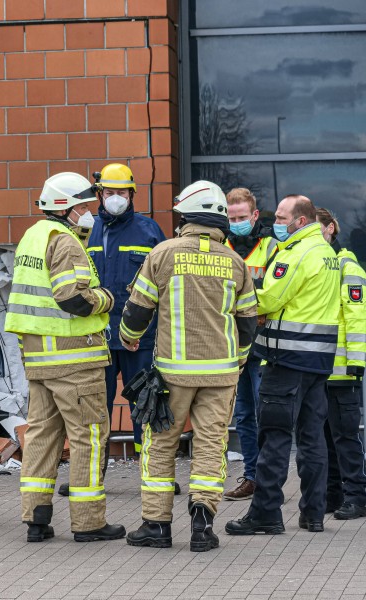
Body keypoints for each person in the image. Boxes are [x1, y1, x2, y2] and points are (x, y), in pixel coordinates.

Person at [120, 180, 258, 552]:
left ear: (185, 216)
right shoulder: (235, 262)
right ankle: (202, 523)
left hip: (173, 374)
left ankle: (156, 525)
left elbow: (138, 310)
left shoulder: (163, 254)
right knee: (211, 444)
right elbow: (247, 322)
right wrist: (240, 360)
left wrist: (128, 336)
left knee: (160, 444)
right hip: (222, 373)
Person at [6, 172, 125, 543]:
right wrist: (106, 298)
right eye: (84, 206)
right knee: (89, 437)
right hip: (74, 361)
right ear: (66, 207)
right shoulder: (66, 242)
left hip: (39, 360)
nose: (90, 212)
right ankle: (88, 522)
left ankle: (36, 518)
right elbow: (71, 298)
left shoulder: (33, 235)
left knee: (42, 437)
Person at [225, 194, 340, 535]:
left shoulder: (296, 252)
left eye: (281, 216)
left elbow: (270, 297)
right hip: (317, 361)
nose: (276, 222)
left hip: (286, 359)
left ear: (300, 221)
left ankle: (265, 513)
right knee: (312, 439)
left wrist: (236, 302)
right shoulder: (326, 252)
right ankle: (313, 513)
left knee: (273, 436)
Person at [57, 163, 167, 497]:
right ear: (99, 194)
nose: (115, 198)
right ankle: (92, 476)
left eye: (121, 192)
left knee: (146, 407)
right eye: (108, 192)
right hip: (97, 338)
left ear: (132, 194)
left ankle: (154, 476)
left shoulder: (150, 231)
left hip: (140, 339)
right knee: (92, 412)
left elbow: (163, 284)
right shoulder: (84, 231)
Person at [315, 208, 366, 519]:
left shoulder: (346, 265)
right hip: (317, 369)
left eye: (318, 227)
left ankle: (357, 496)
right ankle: (332, 496)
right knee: (323, 438)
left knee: (345, 436)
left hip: (342, 371)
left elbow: (357, 317)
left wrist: (355, 363)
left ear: (331, 228)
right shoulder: (315, 263)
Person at [222, 187, 278, 502]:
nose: (237, 222)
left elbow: (274, 291)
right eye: (232, 218)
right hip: (232, 343)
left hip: (262, 344)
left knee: (265, 412)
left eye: (242, 217)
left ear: (255, 215)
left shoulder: (271, 247)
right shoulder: (221, 245)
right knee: (243, 414)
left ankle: (270, 478)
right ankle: (252, 476)